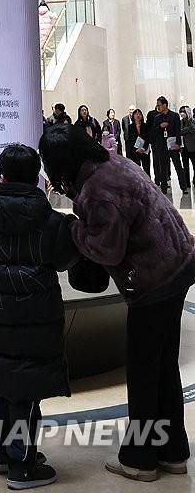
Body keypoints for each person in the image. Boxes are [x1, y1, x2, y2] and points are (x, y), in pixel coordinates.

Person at [39, 125, 195, 482]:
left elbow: (106, 248)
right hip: (179, 264)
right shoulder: (114, 163)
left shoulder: (97, 192)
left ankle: (140, 459)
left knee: (142, 372)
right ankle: (173, 452)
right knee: (163, 366)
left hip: (152, 283)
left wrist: (73, 228)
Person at [0, 142, 78, 490]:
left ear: (0, 175)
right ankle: (23, 465)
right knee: (25, 388)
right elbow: (64, 260)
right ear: (38, 177)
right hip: (36, 317)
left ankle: (3, 452)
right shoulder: (52, 223)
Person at [147, 97, 188, 195]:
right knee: (163, 168)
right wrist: (160, 126)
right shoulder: (157, 118)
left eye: (159, 105)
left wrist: (178, 144)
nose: (158, 107)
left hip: (173, 145)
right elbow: (153, 132)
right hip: (161, 146)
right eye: (157, 105)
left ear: (165, 105)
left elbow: (178, 131)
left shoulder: (174, 116)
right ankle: (164, 188)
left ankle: (184, 187)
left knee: (178, 166)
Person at [124, 108, 151, 177]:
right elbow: (131, 140)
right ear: (133, 116)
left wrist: (143, 148)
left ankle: (148, 185)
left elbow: (148, 138)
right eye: (136, 114)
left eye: (139, 113)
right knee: (136, 170)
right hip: (135, 150)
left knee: (146, 169)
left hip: (145, 150)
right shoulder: (130, 126)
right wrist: (135, 149)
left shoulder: (146, 125)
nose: (138, 115)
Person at [179, 106, 195, 188]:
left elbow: (193, 129)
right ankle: (187, 183)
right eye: (181, 111)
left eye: (184, 111)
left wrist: (184, 130)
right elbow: (179, 131)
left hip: (192, 148)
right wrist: (186, 130)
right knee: (185, 167)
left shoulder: (192, 121)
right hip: (183, 148)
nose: (182, 113)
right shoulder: (180, 122)